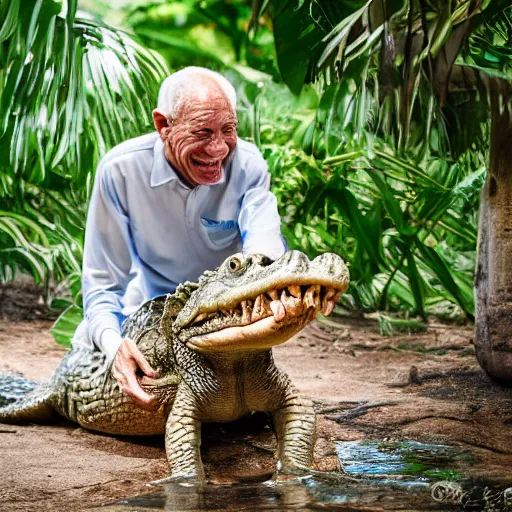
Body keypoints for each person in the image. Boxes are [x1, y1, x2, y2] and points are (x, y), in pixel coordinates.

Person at [72, 67, 287, 411]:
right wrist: (116, 348)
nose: (218, 148)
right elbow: (101, 285)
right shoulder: (121, 171)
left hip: (222, 318)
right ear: (163, 125)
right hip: (149, 318)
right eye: (202, 132)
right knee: (95, 348)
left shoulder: (248, 166)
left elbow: (264, 250)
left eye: (228, 130)